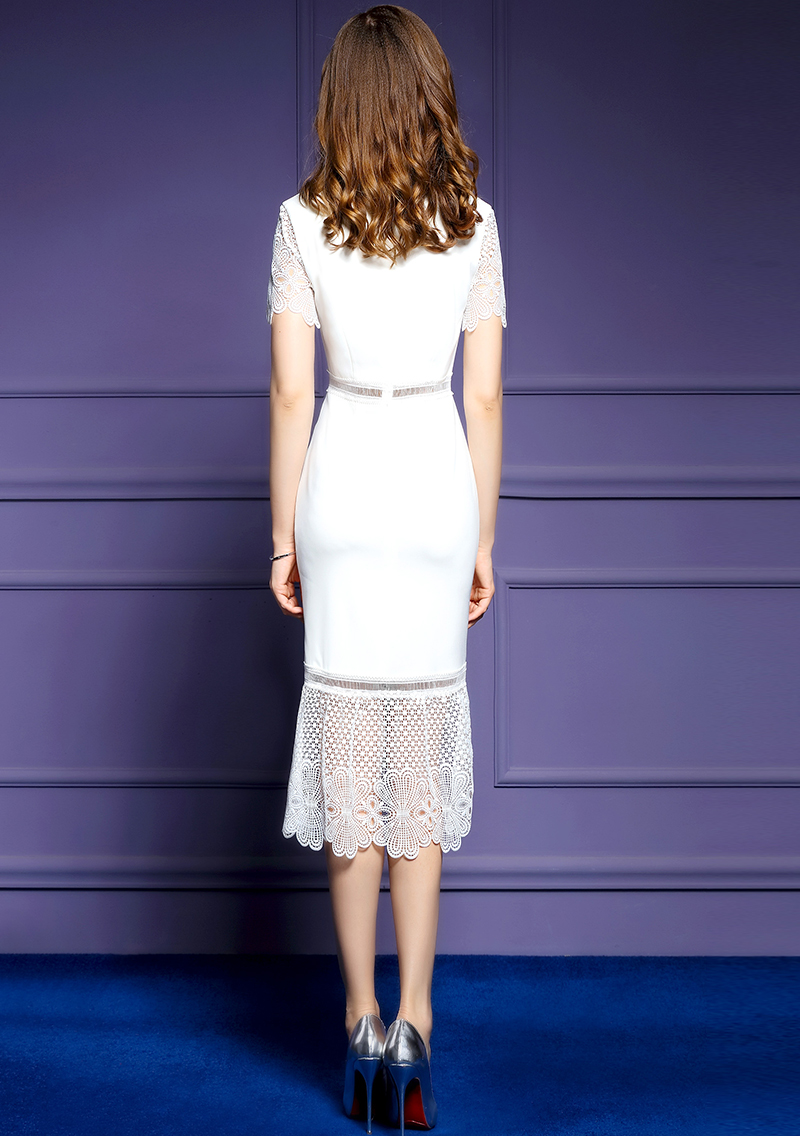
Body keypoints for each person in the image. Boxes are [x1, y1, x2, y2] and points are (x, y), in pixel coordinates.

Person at [267, 6, 505, 1131]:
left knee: (351, 759)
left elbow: (291, 395)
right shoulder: (476, 226)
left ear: (340, 105)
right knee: (418, 758)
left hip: (345, 485)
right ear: (428, 95)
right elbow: (485, 397)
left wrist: (283, 537)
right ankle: (416, 1023)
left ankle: (360, 1021)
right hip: (432, 488)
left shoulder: (299, 223)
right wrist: (483, 538)